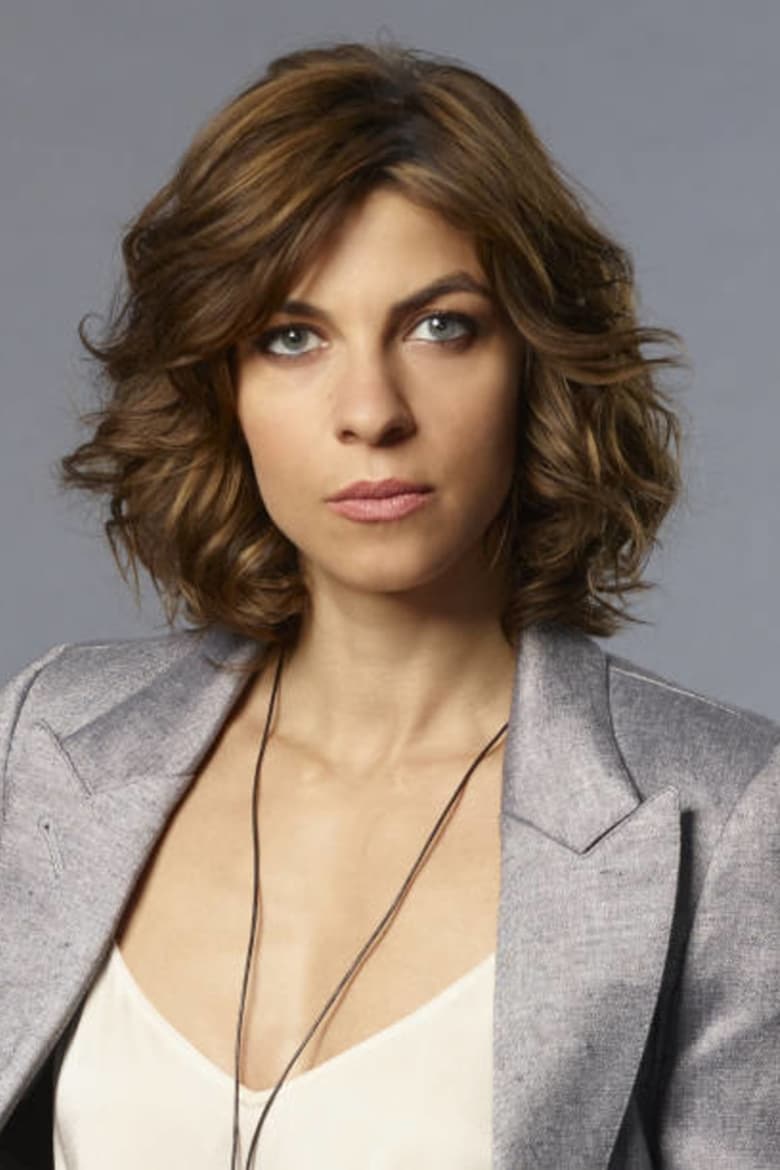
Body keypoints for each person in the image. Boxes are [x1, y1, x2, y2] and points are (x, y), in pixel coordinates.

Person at [0, 37, 777, 1170]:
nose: (371, 410)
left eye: (440, 326)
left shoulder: (729, 818)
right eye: (292, 337)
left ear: (536, 363)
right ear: (221, 385)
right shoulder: (48, 742)